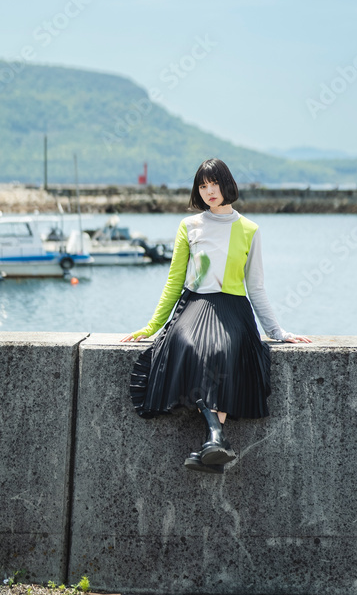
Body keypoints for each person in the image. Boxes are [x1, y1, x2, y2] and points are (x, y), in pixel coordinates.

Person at [119, 158, 311, 473]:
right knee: (190, 344)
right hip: (194, 304)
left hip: (233, 307)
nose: (209, 191)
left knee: (224, 348)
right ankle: (215, 438)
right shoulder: (189, 226)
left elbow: (256, 287)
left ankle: (213, 442)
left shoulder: (249, 229)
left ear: (227, 184)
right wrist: (152, 325)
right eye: (203, 185)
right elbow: (174, 280)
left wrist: (278, 331)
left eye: (214, 183)